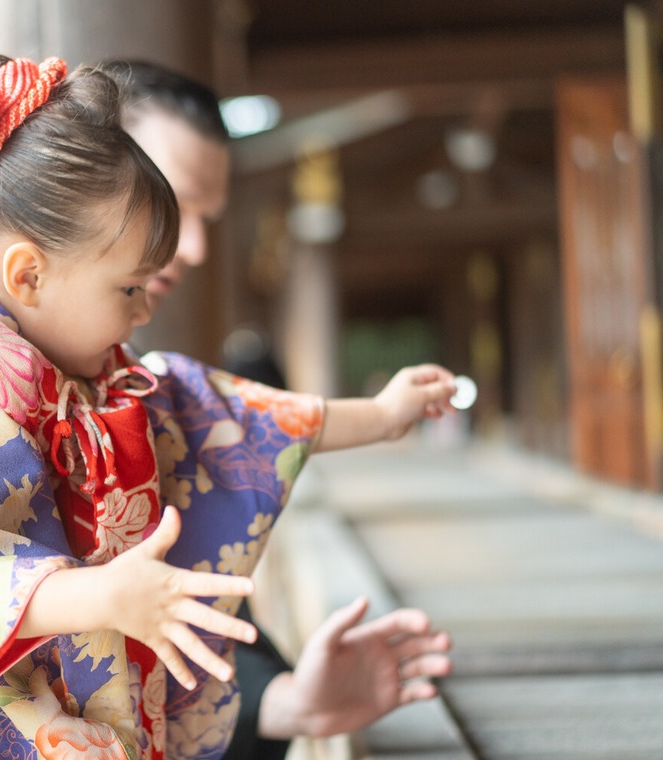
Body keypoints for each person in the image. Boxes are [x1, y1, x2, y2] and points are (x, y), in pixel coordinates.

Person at [0, 54, 456, 759]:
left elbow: (227, 417)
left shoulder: (90, 372)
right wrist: (105, 597)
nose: (139, 314)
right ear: (28, 273)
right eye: (128, 290)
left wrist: (382, 415)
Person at [101, 59, 454, 758]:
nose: (193, 246)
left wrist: (285, 701)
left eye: (206, 218)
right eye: (175, 203)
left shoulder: (141, 386)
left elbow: (199, 585)